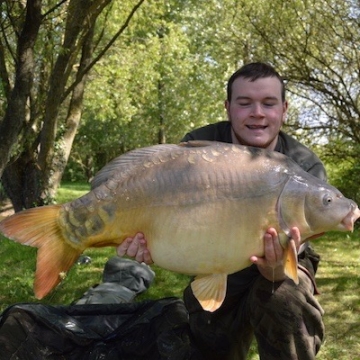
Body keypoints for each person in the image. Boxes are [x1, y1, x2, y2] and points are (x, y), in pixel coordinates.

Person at [117, 62, 326, 360]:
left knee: (285, 299)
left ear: (284, 109)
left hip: (283, 263)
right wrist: (153, 241)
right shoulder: (199, 150)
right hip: (215, 260)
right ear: (228, 107)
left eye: (268, 103)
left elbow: (298, 243)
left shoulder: (305, 165)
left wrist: (276, 268)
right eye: (245, 103)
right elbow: (171, 214)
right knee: (211, 343)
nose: (257, 112)